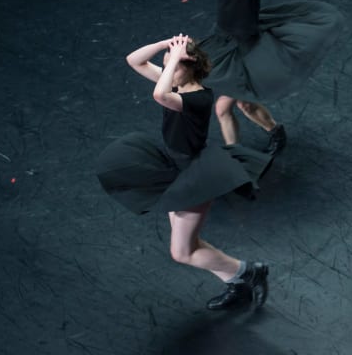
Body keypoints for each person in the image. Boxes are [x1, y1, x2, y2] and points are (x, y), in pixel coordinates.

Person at [96, 34, 272, 311]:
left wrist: (175, 57)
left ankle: (248, 271)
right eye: (165, 67)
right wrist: (165, 46)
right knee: (189, 244)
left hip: (194, 177)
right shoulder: (177, 86)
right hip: (173, 169)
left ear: (190, 67)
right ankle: (236, 279)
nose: (168, 71)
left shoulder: (197, 99)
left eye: (174, 66)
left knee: (181, 252)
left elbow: (159, 95)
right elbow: (134, 60)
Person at [180, 0, 344, 154]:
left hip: (248, 48)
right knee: (225, 108)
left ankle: (270, 134)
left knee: (237, 104)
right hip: (223, 43)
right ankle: (236, 154)